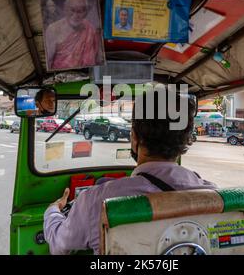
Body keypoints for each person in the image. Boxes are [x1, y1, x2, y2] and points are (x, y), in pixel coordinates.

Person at [44, 90, 217, 255]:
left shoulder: (97, 200)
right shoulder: (213, 196)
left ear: (134, 138)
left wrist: (52, 210)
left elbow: (59, 245)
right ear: (185, 141)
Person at [45, 0, 103, 70]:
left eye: (80, 11)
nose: (76, 15)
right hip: (62, 75)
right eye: (72, 10)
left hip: (87, 73)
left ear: (85, 12)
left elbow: (98, 58)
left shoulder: (90, 28)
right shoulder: (53, 29)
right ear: (65, 9)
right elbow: (48, 60)